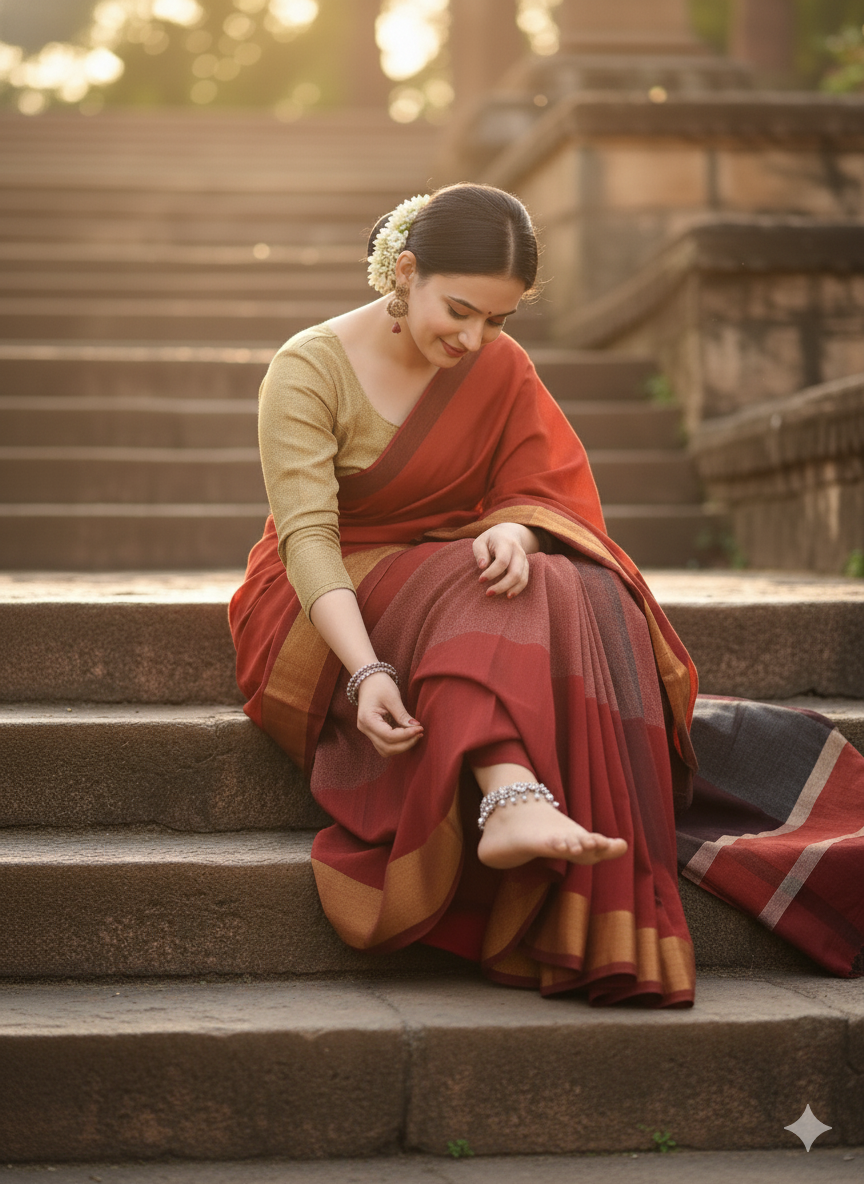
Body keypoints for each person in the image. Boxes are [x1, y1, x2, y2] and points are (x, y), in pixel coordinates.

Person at [230, 184, 863, 1007]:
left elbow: (549, 489)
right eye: (458, 310)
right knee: (478, 581)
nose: (473, 338)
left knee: (567, 579)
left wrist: (518, 531)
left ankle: (511, 796)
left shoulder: (497, 365)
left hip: (452, 575)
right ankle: (512, 793)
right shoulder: (309, 367)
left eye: (498, 320)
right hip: (323, 601)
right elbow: (308, 538)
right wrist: (366, 672)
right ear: (406, 270)